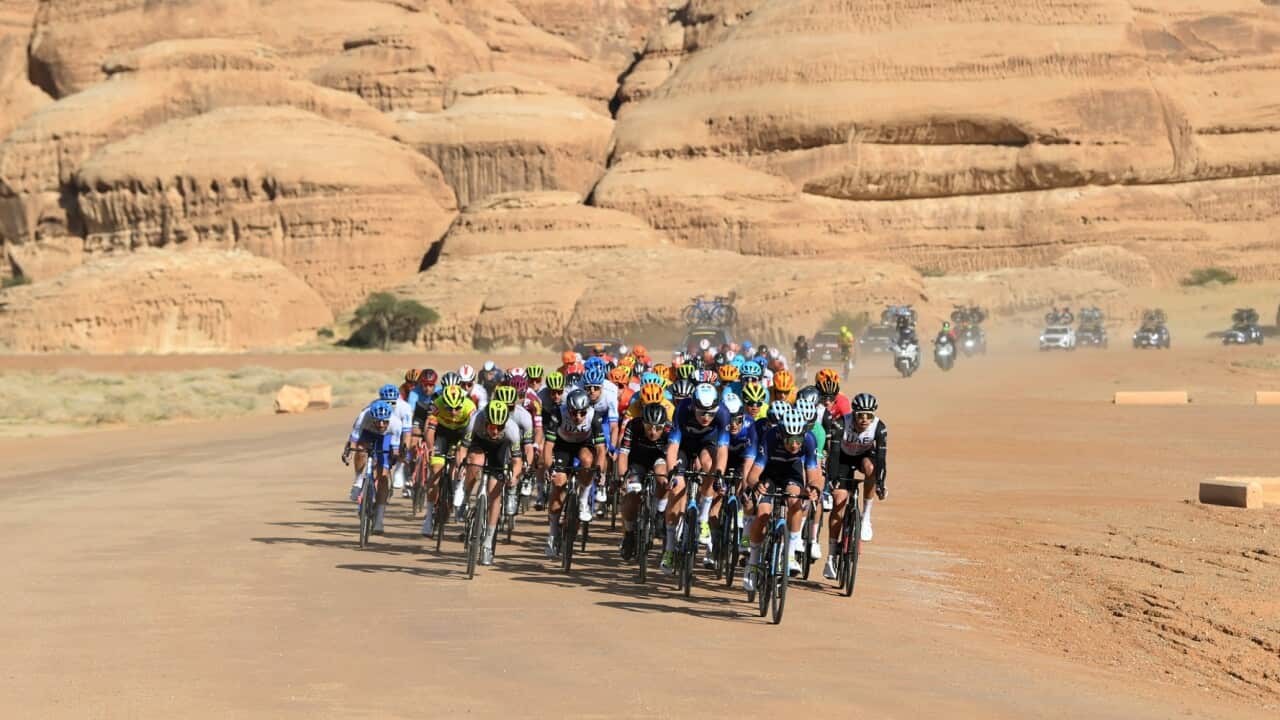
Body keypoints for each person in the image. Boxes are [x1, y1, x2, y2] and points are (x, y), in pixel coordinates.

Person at [743, 405, 821, 588]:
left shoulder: (809, 440)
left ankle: (791, 552)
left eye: (798, 439)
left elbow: (813, 475)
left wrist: (812, 488)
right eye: (790, 440)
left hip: (791, 472)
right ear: (781, 435)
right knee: (762, 512)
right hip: (770, 472)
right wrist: (756, 485)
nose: (794, 444)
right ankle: (752, 563)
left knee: (795, 500)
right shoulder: (770, 437)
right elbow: (753, 474)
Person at [664, 382, 730, 573]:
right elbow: (673, 447)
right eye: (702, 413)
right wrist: (671, 472)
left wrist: (719, 474)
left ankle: (702, 518)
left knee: (710, 465)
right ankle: (669, 549)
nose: (706, 417)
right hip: (684, 444)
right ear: (693, 406)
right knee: (677, 490)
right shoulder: (683, 409)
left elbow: (723, 450)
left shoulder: (723, 413)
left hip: (707, 444)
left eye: (711, 413)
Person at [823, 393, 888, 579]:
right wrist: (833, 479)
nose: (865, 419)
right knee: (839, 501)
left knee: (871, 469)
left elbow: (882, 459)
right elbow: (834, 455)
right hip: (842, 459)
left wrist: (881, 483)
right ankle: (831, 555)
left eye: (869, 415)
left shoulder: (879, 427)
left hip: (863, 457)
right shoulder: (840, 424)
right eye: (861, 415)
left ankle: (866, 516)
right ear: (854, 413)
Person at [541, 388, 607, 559]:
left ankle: (584, 499)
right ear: (567, 409)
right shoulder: (558, 414)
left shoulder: (594, 416)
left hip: (584, 445)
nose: (578, 417)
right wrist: (549, 467)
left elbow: (601, 450)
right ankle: (553, 534)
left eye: (582, 413)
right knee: (558, 484)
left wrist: (600, 471)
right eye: (574, 413)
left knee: (587, 461)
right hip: (563, 447)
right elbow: (548, 446)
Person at [459, 400, 524, 565]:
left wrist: (514, 477)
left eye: (499, 427)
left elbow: (517, 461)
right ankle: (465, 496)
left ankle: (488, 543)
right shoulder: (476, 419)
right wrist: (461, 466)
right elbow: (463, 448)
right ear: (485, 421)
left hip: (499, 451)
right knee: (475, 462)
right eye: (492, 426)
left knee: (495, 494)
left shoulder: (512, 429)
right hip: (479, 444)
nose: (495, 431)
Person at [418, 384, 476, 538]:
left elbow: (470, 436)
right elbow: (430, 430)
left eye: (457, 408)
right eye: (449, 408)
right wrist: (430, 448)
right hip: (442, 435)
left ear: (462, 403)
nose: (453, 412)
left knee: (459, 459)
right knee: (436, 470)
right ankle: (429, 517)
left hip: (461, 434)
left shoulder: (470, 407)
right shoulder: (436, 405)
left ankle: (458, 488)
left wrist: (463, 455)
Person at [617, 401, 671, 561]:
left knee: (662, 477)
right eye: (649, 428)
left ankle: (660, 513)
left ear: (664, 426)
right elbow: (623, 454)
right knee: (632, 495)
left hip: (658, 459)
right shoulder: (633, 426)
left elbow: (672, 457)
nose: (653, 432)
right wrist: (622, 478)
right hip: (637, 461)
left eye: (658, 428)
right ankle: (629, 533)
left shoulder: (670, 430)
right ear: (643, 423)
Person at [342, 398, 402, 535]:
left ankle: (379, 518)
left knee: (383, 476)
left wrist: (393, 458)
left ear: (389, 419)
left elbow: (396, 448)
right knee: (361, 450)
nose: (381, 424)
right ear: (372, 417)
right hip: (368, 433)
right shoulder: (364, 416)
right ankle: (358, 482)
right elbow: (355, 437)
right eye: (378, 421)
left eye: (384, 421)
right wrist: (351, 452)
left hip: (387, 438)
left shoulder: (395, 423)